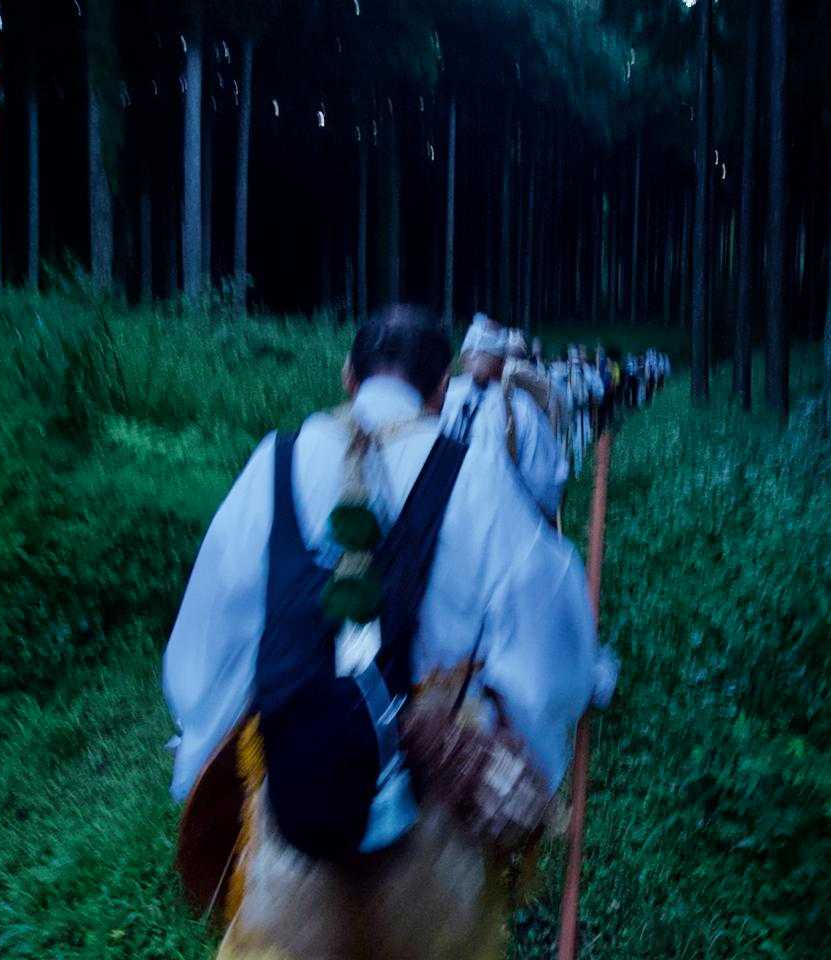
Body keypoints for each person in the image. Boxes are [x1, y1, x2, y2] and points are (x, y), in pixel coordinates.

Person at [164, 306, 609, 960]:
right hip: (434, 858)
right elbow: (550, 651)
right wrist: (525, 763)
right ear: (442, 387)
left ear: (348, 375)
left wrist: (203, 767)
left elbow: (209, 645)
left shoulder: (273, 464)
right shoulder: (476, 475)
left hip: (296, 822)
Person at [441, 317, 567, 522]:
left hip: (445, 523)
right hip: (500, 524)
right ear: (503, 361)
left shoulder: (441, 399)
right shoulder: (521, 408)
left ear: (462, 357)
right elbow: (543, 485)